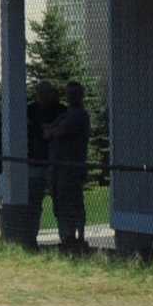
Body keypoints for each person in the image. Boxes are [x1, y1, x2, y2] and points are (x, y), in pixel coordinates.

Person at [44, 81, 92, 252]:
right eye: (69, 93)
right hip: (58, 168)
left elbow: (58, 131)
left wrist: (53, 131)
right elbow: (47, 130)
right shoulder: (65, 114)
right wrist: (52, 130)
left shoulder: (80, 115)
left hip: (71, 168)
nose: (71, 97)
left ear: (80, 96)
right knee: (60, 203)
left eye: (74, 94)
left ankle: (78, 237)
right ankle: (66, 237)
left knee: (74, 203)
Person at [22, 80, 62, 248]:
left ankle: (67, 239)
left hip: (55, 163)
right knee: (33, 203)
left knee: (60, 202)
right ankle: (31, 238)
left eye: (46, 93)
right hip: (35, 163)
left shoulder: (61, 110)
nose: (42, 97)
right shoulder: (30, 110)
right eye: (40, 93)